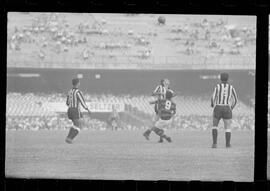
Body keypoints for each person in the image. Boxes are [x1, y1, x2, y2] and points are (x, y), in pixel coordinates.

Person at [211, 72, 238, 148]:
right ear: (228, 79)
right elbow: (236, 100)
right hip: (227, 107)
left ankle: (215, 144)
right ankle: (228, 144)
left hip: (218, 107)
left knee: (215, 126)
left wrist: (213, 105)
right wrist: (231, 107)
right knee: (227, 127)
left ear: (220, 78)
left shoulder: (217, 86)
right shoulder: (231, 87)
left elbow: (213, 97)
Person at [65, 78, 91, 144]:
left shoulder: (69, 91)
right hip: (75, 110)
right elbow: (82, 101)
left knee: (76, 124)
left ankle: (68, 138)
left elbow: (67, 103)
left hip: (70, 110)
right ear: (78, 83)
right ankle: (70, 138)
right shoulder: (78, 92)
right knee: (79, 125)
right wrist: (87, 109)